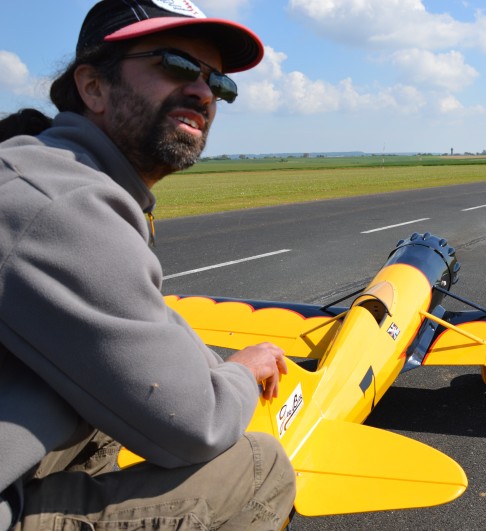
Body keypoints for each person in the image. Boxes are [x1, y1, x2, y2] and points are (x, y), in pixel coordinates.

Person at [0, 1, 296, 530]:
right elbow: (197, 424)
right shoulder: (61, 203)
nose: (203, 92)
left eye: (218, 83)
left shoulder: (43, 170)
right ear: (93, 87)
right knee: (259, 467)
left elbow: (138, 327)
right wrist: (241, 374)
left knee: (107, 410)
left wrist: (214, 367)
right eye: (175, 64)